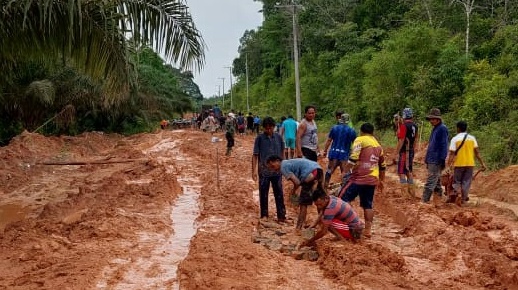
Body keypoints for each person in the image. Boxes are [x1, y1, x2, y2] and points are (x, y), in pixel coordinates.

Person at [340, 123, 385, 238]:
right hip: (372, 179)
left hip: (358, 177)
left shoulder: (360, 140)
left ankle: (352, 224)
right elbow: (383, 165)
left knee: (343, 198)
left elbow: (353, 158)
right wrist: (381, 181)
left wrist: (345, 171)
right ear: (372, 132)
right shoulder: (378, 145)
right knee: (368, 204)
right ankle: (368, 230)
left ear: (361, 131)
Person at [266, 156, 323, 231]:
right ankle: (321, 224)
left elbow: (297, 182)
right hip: (318, 169)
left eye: (273, 166)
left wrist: (293, 192)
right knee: (319, 200)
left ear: (277, 161)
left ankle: (298, 228)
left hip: (309, 174)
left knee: (303, 203)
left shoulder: (283, 167)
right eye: (271, 168)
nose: (274, 169)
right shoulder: (287, 162)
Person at [299, 187, 364, 246]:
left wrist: (310, 241)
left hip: (354, 231)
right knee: (324, 219)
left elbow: (323, 232)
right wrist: (314, 224)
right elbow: (322, 211)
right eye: (316, 205)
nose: (319, 207)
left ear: (325, 199)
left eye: (320, 204)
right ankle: (342, 236)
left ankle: (342, 239)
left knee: (326, 222)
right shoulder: (331, 198)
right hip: (356, 226)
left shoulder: (330, 208)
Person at [252, 117, 286, 222]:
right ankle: (264, 215)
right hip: (264, 171)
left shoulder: (279, 138)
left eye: (270, 128)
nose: (269, 130)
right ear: (263, 128)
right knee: (263, 193)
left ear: (274, 127)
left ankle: (281, 215)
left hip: (277, 171)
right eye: (266, 128)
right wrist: (253, 171)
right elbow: (255, 155)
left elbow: (282, 152)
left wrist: (284, 166)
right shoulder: (259, 138)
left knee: (279, 192)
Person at [446, 121, 486, 205]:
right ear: (466, 128)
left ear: (458, 128)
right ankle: (463, 199)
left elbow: (452, 154)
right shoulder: (472, 138)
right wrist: (482, 163)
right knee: (466, 182)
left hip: (459, 163)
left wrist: (448, 166)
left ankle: (455, 197)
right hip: (470, 164)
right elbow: (477, 153)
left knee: (456, 181)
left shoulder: (455, 139)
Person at [323, 112, 357, 189]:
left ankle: (324, 187)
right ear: (348, 120)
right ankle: (344, 190)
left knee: (329, 170)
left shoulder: (334, 128)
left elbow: (329, 140)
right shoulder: (351, 131)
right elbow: (355, 143)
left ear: (340, 119)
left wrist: (325, 151)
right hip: (344, 154)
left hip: (334, 152)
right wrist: (354, 154)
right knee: (345, 173)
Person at [422, 108, 449, 205]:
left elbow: (444, 145)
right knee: (436, 181)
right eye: (431, 119)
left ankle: (424, 200)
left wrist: (442, 159)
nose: (431, 121)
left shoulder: (442, 129)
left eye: (433, 119)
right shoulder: (435, 129)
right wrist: (427, 159)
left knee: (431, 180)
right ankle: (438, 200)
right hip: (431, 158)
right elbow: (431, 145)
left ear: (438, 119)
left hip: (436, 159)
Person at [394, 108, 418, 198]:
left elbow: (401, 140)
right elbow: (415, 139)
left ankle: (405, 194)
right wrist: (413, 150)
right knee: (409, 171)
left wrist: (396, 153)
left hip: (404, 151)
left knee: (401, 172)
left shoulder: (404, 126)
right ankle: (412, 193)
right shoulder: (415, 126)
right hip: (411, 151)